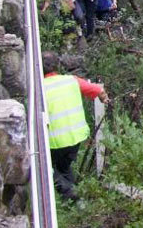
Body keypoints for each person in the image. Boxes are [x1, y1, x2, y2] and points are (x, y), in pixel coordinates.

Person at [42, 51, 108, 200]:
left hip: (54, 141)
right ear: (58, 66)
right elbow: (99, 90)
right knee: (64, 168)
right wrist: (104, 99)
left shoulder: (39, 88)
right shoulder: (71, 80)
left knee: (47, 170)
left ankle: (70, 193)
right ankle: (75, 200)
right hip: (76, 137)